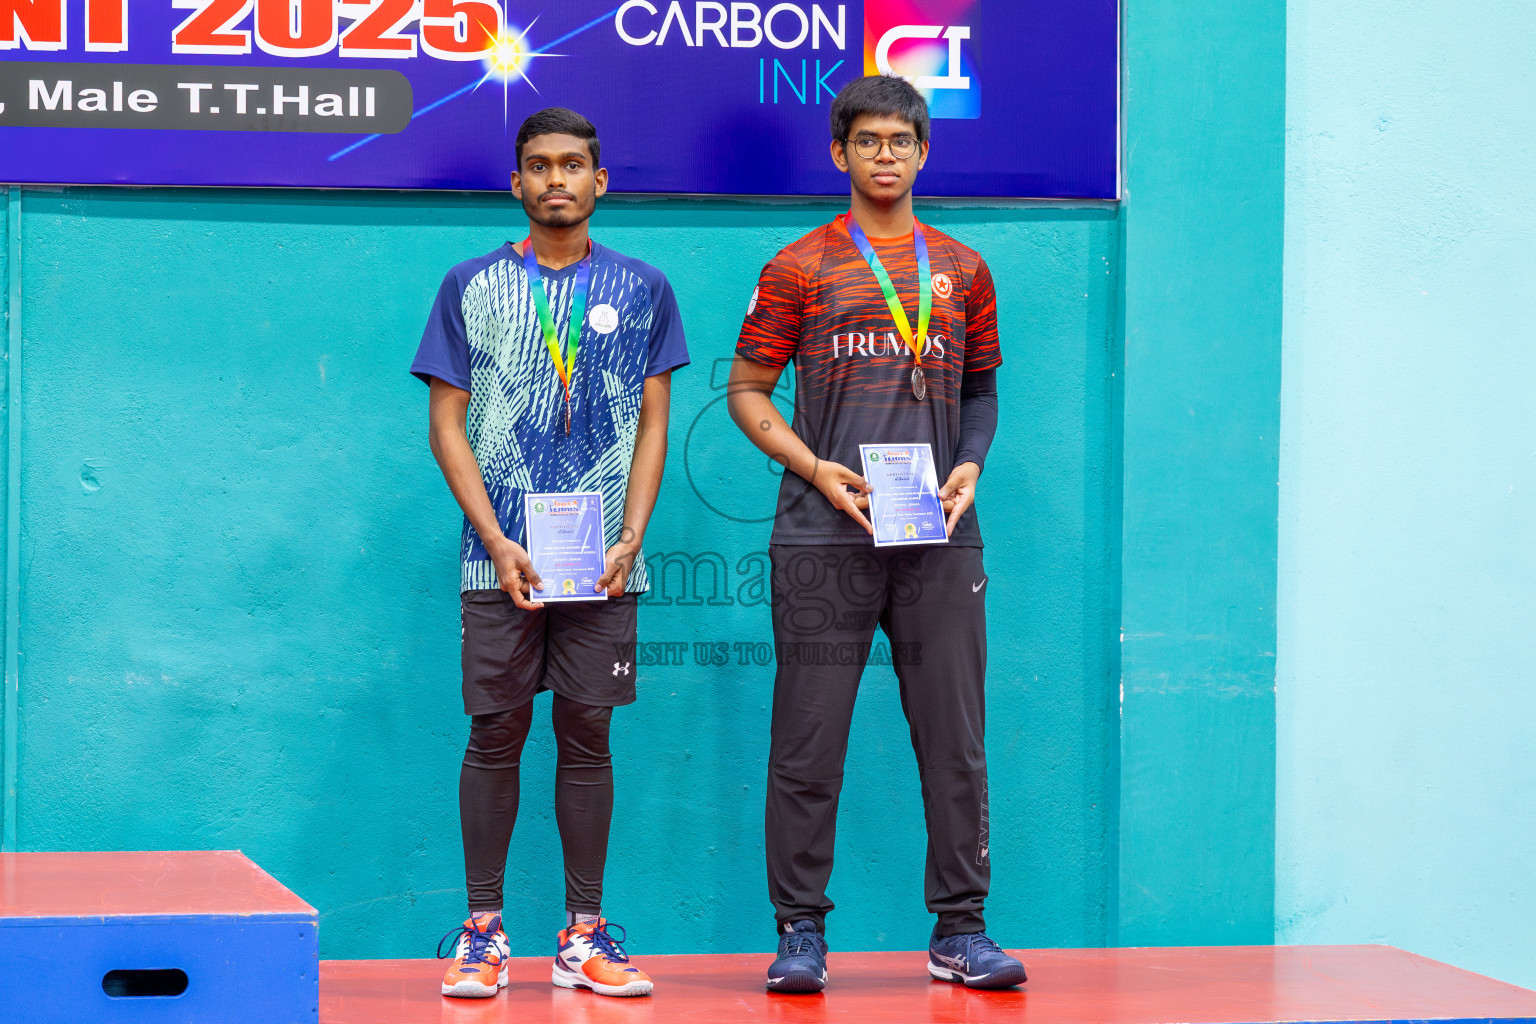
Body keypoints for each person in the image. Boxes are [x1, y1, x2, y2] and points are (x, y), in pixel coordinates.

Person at [727, 75, 1025, 993]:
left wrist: (971, 464)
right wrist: (816, 469)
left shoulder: (963, 270)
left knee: (955, 741)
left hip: (939, 537)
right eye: (868, 141)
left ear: (923, 152)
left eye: (901, 140)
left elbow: (980, 392)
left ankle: (960, 932)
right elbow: (745, 391)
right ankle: (800, 932)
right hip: (824, 539)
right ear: (840, 153)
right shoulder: (799, 266)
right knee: (808, 743)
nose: (885, 154)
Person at [411, 107, 688, 1000]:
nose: (556, 179)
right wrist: (495, 536)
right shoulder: (468, 284)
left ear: (600, 182)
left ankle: (582, 932)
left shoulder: (646, 287)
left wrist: (634, 531)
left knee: (589, 731)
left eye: (574, 165)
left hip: (604, 557)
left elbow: (653, 425)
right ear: (518, 182)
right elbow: (445, 426)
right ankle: (483, 933)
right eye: (539, 166)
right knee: (495, 732)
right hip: (500, 558)